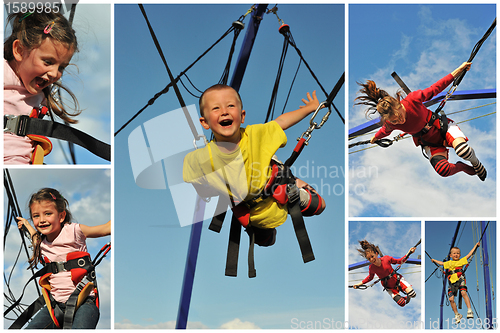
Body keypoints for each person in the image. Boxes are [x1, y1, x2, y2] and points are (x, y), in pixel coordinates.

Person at [183, 84, 326, 246]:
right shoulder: (199, 160)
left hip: (279, 187)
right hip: (256, 213)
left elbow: (281, 122)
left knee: (319, 206)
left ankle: (298, 188)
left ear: (242, 116)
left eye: (230, 105)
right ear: (205, 122)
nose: (224, 111)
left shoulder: (256, 134)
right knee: (265, 241)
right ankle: (267, 226)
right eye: (216, 108)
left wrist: (311, 108)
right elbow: (201, 188)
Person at [354, 62, 486, 181]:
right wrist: (374, 138)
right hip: (429, 142)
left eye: (399, 116)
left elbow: (436, 87)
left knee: (463, 150)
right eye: (395, 121)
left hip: (442, 128)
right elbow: (384, 131)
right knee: (443, 170)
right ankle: (463, 167)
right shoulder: (389, 123)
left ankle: (475, 163)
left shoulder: (413, 99)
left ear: (400, 105)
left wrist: (459, 70)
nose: (400, 121)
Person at [17, 188, 111, 329]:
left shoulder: (74, 231)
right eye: (36, 216)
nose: (42, 220)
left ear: (61, 216)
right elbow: (34, 236)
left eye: (48, 214)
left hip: (84, 303)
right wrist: (27, 225)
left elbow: (105, 229)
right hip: (56, 306)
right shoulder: (41, 243)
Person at [4, 10, 81, 164]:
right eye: (48, 62)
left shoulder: (41, 94)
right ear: (19, 51)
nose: (54, 73)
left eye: (61, 67)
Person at [353, 240, 417, 307]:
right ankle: (403, 298)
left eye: (372, 256)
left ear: (376, 254)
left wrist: (409, 253)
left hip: (397, 280)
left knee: (413, 294)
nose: (371, 259)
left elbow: (399, 261)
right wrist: (358, 284)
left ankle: (407, 294)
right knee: (402, 303)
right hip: (389, 286)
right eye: (369, 259)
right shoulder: (371, 267)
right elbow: (370, 277)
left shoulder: (386, 258)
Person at [430, 242, 480, 324]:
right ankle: (457, 314)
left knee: (463, 293)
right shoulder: (449, 263)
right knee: (451, 299)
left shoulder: (462, 261)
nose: (456, 255)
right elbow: (441, 263)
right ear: (450, 255)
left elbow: (469, 254)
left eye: (458, 253)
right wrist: (434, 260)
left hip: (460, 280)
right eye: (454, 253)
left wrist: (475, 246)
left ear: (460, 255)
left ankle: (469, 310)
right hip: (452, 283)